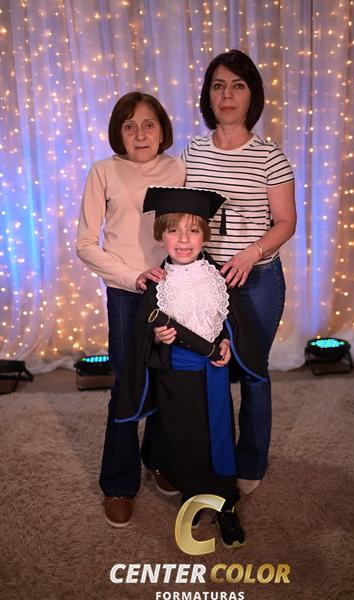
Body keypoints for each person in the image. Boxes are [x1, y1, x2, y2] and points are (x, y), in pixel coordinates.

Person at [116, 186, 267, 548]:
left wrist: (227, 343)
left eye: (193, 230)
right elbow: (143, 339)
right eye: (173, 230)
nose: (183, 240)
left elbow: (230, 322)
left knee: (219, 434)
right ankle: (193, 493)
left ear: (205, 235)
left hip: (213, 369)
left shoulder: (217, 276)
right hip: (175, 374)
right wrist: (159, 338)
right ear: (161, 235)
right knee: (182, 435)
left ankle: (226, 501)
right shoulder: (157, 284)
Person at [182, 49, 296, 495]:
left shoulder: (270, 156)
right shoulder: (193, 152)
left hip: (256, 281)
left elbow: (285, 222)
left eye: (238, 85)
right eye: (218, 86)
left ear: (252, 95)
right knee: (204, 370)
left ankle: (250, 460)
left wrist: (250, 253)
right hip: (203, 282)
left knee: (252, 371)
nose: (227, 95)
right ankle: (210, 456)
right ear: (207, 96)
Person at [76, 92, 185, 528]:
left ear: (162, 129)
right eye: (130, 125)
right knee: (127, 384)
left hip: (172, 290)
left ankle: (156, 457)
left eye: (149, 124)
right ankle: (118, 483)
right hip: (126, 293)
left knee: (166, 379)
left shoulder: (179, 169)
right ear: (118, 132)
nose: (140, 134)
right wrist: (132, 276)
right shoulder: (102, 172)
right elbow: (86, 244)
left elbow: (190, 230)